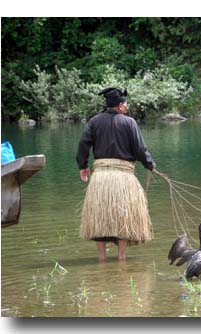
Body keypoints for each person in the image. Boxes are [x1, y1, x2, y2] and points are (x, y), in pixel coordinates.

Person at [76, 87, 155, 262]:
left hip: (101, 178)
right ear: (120, 106)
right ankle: (121, 257)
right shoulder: (129, 123)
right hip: (123, 178)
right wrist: (149, 164)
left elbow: (83, 144)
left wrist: (83, 165)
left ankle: (102, 259)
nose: (127, 107)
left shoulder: (94, 122)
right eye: (125, 104)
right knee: (123, 217)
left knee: (100, 217)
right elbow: (140, 149)